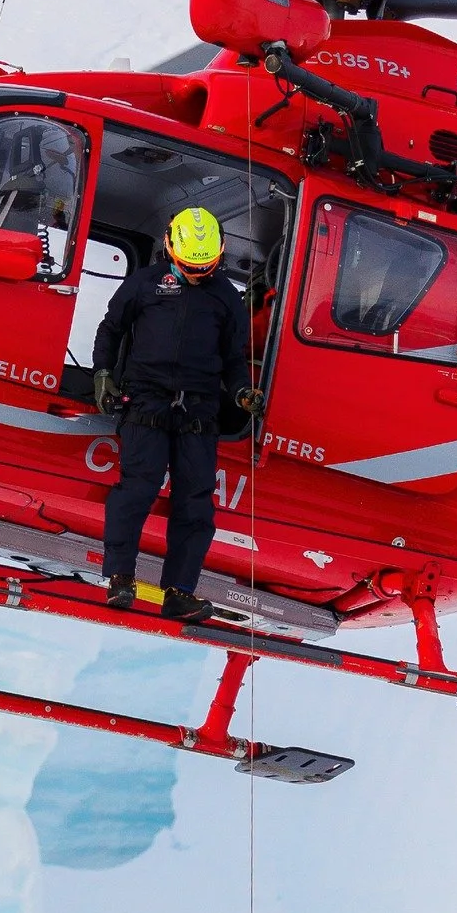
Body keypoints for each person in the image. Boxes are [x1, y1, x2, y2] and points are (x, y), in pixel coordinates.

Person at [93, 207, 260, 625]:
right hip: (146, 402)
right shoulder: (144, 285)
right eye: (189, 267)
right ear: (170, 247)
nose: (197, 275)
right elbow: (110, 329)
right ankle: (120, 579)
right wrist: (102, 376)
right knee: (137, 488)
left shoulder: (226, 298)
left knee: (196, 505)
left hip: (199, 412)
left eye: (206, 268)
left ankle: (180, 592)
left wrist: (241, 393)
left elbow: (233, 360)